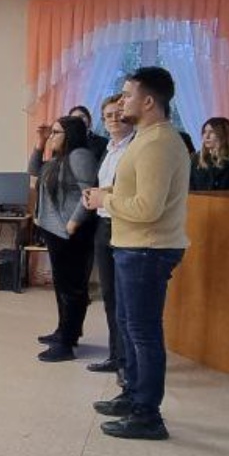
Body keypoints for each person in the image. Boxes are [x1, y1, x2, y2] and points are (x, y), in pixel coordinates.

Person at [82, 66, 190, 441]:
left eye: (128, 95)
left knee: (144, 333)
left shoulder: (158, 142)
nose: (122, 101)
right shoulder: (146, 139)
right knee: (130, 326)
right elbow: (138, 193)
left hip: (148, 248)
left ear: (148, 101)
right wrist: (107, 193)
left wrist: (105, 200)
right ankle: (132, 395)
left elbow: (148, 208)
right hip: (135, 246)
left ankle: (148, 414)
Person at [34, 115, 100, 362]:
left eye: (56, 132)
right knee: (62, 285)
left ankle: (68, 343)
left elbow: (88, 193)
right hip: (55, 231)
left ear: (70, 135)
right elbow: (33, 171)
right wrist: (40, 143)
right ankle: (63, 331)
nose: (52, 136)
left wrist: (73, 223)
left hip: (71, 232)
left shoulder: (80, 156)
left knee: (72, 288)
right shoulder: (57, 159)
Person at [88, 93, 134, 376]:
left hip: (126, 225)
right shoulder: (108, 149)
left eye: (118, 113)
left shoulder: (136, 148)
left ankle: (128, 362)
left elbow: (131, 189)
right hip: (104, 224)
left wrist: (103, 195)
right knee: (109, 295)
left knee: (125, 298)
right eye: (108, 116)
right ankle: (116, 355)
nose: (114, 119)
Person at [191, 117, 229, 191]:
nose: (207, 136)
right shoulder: (195, 159)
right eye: (204, 132)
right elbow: (190, 187)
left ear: (223, 135)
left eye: (212, 132)